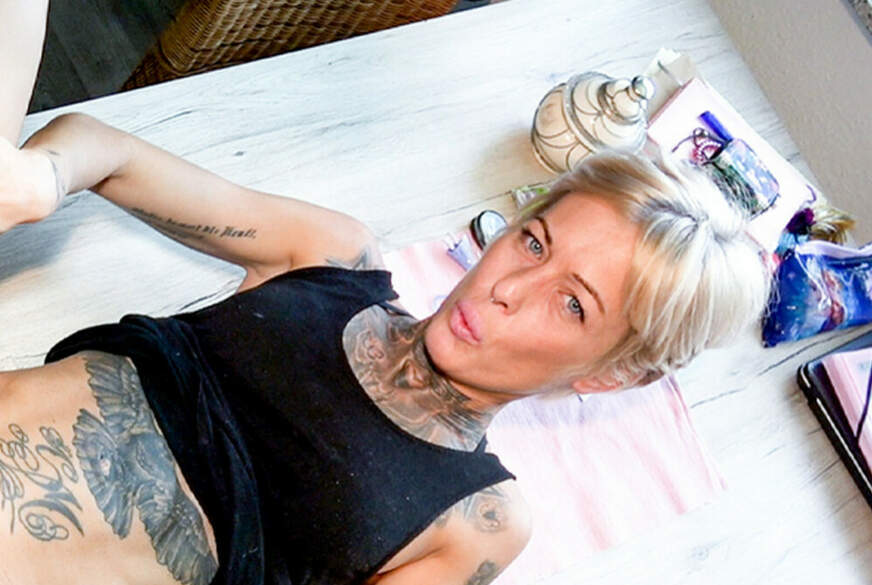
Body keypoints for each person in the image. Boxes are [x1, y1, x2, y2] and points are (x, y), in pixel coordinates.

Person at [0, 3, 771, 585]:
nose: (508, 286)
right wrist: (43, 178)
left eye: (573, 304)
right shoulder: (333, 256)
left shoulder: (479, 520)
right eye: (535, 241)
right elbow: (106, 150)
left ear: (614, 373)